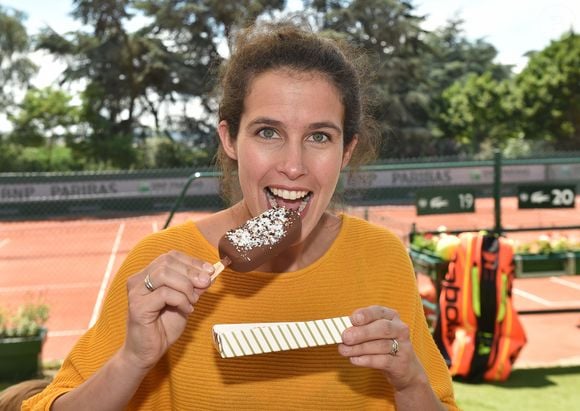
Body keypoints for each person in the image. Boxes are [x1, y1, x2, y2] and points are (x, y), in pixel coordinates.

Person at [23, 20, 458, 410]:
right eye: (268, 132)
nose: (293, 164)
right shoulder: (160, 265)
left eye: (319, 136)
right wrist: (133, 360)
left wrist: (410, 383)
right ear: (230, 139)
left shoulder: (382, 257)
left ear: (346, 151)